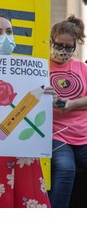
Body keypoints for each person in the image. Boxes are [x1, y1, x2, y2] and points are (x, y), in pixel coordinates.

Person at [0, 13, 55, 208]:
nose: (5, 36)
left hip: (26, 159)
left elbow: (41, 124)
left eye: (9, 31)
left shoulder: (32, 76)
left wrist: (48, 102)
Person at [48, 15, 87, 208]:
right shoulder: (40, 66)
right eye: (59, 45)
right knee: (65, 169)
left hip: (83, 135)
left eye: (68, 47)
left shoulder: (81, 67)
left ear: (75, 47)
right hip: (56, 135)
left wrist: (72, 104)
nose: (63, 51)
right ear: (51, 41)